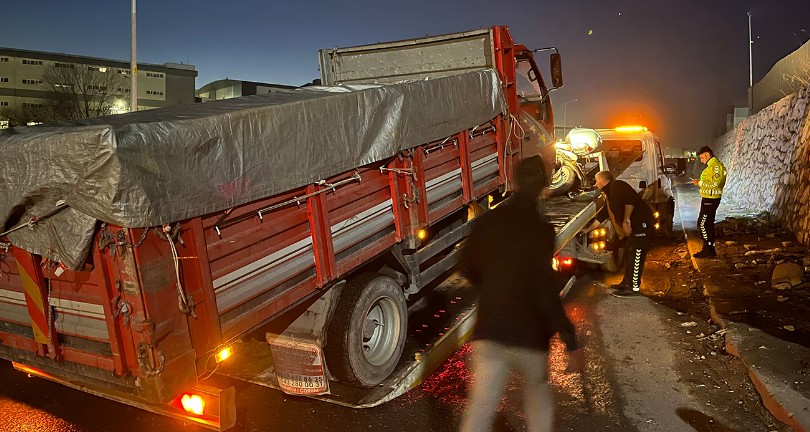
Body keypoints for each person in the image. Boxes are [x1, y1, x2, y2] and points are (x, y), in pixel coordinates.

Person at [459, 155, 582, 432]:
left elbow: (465, 265)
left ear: (514, 181)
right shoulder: (541, 230)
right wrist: (569, 338)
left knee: (480, 408)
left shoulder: (488, 222)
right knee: (538, 398)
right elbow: (545, 290)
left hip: (490, 329)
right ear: (544, 186)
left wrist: (492, 286)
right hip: (529, 335)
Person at [591, 170, 655, 298]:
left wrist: (626, 220)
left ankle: (633, 288)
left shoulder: (617, 185)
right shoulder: (609, 193)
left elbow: (630, 200)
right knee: (629, 254)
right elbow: (604, 213)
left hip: (642, 224)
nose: (595, 184)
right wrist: (588, 229)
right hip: (635, 227)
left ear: (603, 181)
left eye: (596, 181)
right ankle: (626, 283)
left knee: (636, 254)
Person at [691, 146, 727, 258]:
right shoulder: (712, 166)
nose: (701, 160)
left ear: (707, 155)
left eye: (702, 157)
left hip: (711, 199)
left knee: (703, 224)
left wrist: (700, 183)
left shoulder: (716, 167)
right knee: (707, 223)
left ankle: (708, 249)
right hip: (708, 198)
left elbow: (715, 184)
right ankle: (709, 249)